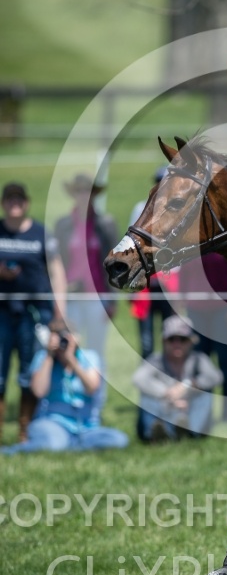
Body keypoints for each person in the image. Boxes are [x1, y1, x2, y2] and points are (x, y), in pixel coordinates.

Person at [0, 182, 67, 443]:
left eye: (19, 199)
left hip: (34, 313)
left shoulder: (41, 233)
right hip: (2, 312)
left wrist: (59, 313)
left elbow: (57, 273)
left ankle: (25, 430)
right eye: (9, 199)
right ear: (3, 203)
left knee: (29, 370)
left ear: (26, 203)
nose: (14, 204)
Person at [0, 319, 128, 454]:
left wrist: (71, 360)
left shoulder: (89, 357)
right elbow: (38, 391)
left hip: (86, 428)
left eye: (66, 338)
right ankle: (13, 450)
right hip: (52, 423)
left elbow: (92, 388)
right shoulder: (43, 357)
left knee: (118, 440)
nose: (63, 343)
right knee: (53, 445)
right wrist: (49, 356)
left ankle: (70, 444)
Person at [54, 173, 119, 401]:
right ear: (74, 194)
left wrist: (112, 299)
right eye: (79, 191)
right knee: (70, 347)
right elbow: (56, 264)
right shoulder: (63, 225)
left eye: (88, 191)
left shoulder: (105, 224)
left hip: (97, 297)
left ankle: (97, 399)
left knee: (96, 349)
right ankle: (70, 395)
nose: (84, 195)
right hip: (72, 297)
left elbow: (115, 263)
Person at [132, 315, 223, 442]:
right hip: (165, 407)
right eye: (172, 339)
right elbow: (138, 378)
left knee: (206, 394)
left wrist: (188, 385)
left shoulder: (198, 359)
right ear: (164, 341)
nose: (177, 344)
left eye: (182, 339)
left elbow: (216, 377)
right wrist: (167, 393)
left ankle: (189, 431)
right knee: (146, 396)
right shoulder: (156, 360)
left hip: (190, 408)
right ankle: (156, 431)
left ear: (191, 341)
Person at [178, 253, 227, 420]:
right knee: (200, 363)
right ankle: (202, 413)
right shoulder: (188, 248)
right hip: (196, 312)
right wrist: (181, 308)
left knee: (226, 360)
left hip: (224, 310)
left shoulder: (223, 244)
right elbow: (182, 279)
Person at [129, 166, 178, 359]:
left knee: (172, 335)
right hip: (146, 281)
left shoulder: (179, 209)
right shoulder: (141, 208)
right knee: (146, 341)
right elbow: (132, 245)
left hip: (170, 279)